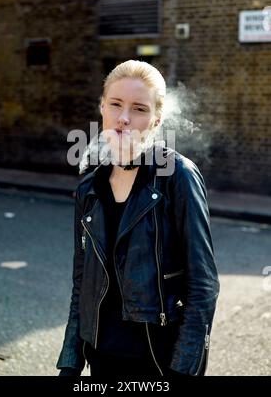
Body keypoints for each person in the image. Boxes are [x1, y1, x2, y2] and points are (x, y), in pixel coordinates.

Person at [57, 60, 220, 378]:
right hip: (100, 358)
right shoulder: (89, 187)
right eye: (115, 104)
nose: (124, 119)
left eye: (139, 109)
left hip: (158, 361)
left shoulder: (177, 176)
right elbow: (82, 285)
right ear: (102, 107)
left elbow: (203, 286)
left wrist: (182, 369)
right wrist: (71, 360)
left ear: (157, 119)